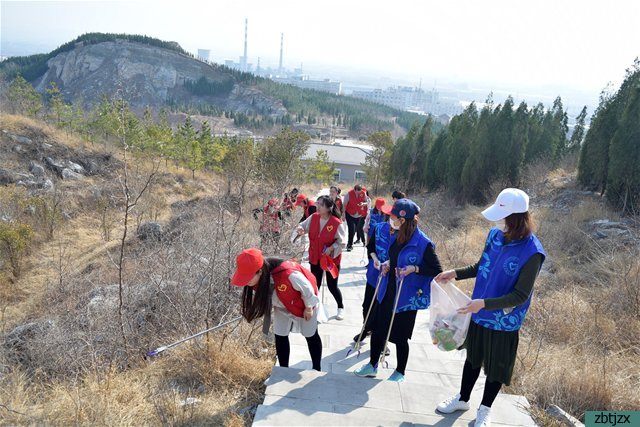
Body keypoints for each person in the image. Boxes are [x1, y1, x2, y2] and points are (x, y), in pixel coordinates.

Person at [434, 188, 546, 427]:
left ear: (516, 218)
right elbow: (481, 266)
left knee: (496, 368)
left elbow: (520, 295)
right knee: (472, 359)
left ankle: (484, 410)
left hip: (504, 321)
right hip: (478, 313)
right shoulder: (495, 237)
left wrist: (483, 304)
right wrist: (455, 273)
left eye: (503, 217)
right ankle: (462, 398)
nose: (499, 221)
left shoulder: (532, 252)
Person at [354, 199, 443, 382]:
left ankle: (400, 371)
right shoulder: (398, 236)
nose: (390, 219)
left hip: (406, 297)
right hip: (387, 290)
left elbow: (436, 270)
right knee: (378, 330)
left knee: (401, 337)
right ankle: (372, 365)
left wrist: (414, 269)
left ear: (403, 219)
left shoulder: (423, 243)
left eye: (393, 217)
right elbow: (393, 258)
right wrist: (387, 264)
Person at [231, 248, 323, 371]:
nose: (246, 281)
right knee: (280, 335)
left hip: (305, 304)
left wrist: (308, 307)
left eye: (248, 277)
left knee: (310, 334)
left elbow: (307, 289)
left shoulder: (288, 274)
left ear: (259, 271)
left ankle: (317, 369)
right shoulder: (258, 279)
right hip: (282, 305)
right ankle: (283, 370)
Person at [296, 195, 346, 320]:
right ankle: (313, 308)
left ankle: (340, 308)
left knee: (332, 286)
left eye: (321, 205)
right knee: (314, 284)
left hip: (330, 260)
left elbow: (342, 242)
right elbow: (302, 225)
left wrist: (331, 248)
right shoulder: (313, 217)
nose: (317, 206)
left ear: (329, 208)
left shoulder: (336, 223)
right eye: (317, 203)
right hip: (315, 257)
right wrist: (301, 229)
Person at [353, 205, 393, 344]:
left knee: (383, 309)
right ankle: (366, 329)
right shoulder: (378, 227)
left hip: (390, 277)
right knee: (367, 304)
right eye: (390, 216)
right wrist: (375, 259)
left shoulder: (403, 235)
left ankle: (383, 341)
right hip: (374, 272)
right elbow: (370, 247)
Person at [343, 184, 370, 251]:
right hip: (350, 214)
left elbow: (367, 201)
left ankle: (364, 242)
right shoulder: (348, 194)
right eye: (357, 191)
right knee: (351, 230)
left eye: (360, 191)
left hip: (359, 215)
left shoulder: (363, 193)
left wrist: (363, 204)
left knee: (359, 229)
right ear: (354, 190)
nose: (358, 193)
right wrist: (343, 214)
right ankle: (349, 245)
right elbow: (344, 205)